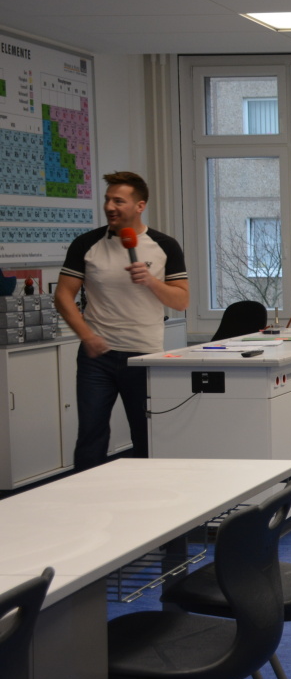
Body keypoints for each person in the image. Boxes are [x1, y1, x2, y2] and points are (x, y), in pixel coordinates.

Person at [54, 172, 189, 471]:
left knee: (146, 434)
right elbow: (63, 296)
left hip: (144, 355)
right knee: (90, 435)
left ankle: (147, 493)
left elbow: (181, 300)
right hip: (96, 358)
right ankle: (87, 493)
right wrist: (86, 335)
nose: (110, 207)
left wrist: (151, 281)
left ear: (140, 206)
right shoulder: (86, 244)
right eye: (107, 200)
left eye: (118, 201)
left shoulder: (164, 245)